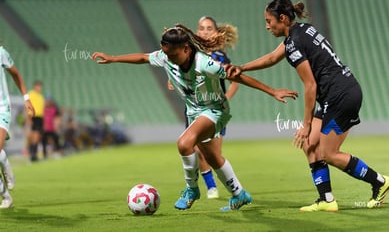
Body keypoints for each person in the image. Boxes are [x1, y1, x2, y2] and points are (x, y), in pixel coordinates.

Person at [92, 24, 298, 211]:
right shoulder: (166, 56)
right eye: (165, 53)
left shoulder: (205, 64)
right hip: (195, 113)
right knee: (212, 158)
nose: (168, 58)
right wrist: (113, 58)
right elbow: (144, 57)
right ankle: (239, 194)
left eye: (172, 54)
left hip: (215, 111)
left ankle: (192, 189)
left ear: (186, 49)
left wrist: (272, 91)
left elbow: (237, 75)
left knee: (184, 143)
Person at [226, 0, 389, 212]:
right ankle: (327, 199)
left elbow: (310, 86)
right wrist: (243, 67)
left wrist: (306, 124)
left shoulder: (295, 43)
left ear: (283, 18)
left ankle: (379, 182)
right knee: (309, 144)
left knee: (329, 153)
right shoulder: (301, 31)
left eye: (269, 21)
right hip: (338, 93)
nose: (267, 26)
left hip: (340, 96)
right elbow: (271, 58)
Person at [167, 16, 240, 199]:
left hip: (213, 110)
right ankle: (211, 187)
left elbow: (234, 82)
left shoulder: (220, 57)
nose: (205, 31)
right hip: (193, 109)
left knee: (213, 153)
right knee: (197, 149)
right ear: (197, 32)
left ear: (216, 32)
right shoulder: (189, 52)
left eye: (209, 28)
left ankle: (234, 191)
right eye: (202, 28)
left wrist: (226, 99)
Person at [0, 45, 35, 208]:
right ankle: (6, 196)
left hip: (1, 109)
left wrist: (26, 98)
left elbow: (16, 74)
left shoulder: (1, 52)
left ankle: (5, 165)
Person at [28, 80, 45, 162]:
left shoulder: (41, 96)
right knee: (35, 135)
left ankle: (34, 153)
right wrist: (29, 118)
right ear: (34, 86)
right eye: (38, 86)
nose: (39, 88)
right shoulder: (31, 94)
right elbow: (28, 106)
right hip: (34, 117)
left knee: (38, 136)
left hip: (40, 118)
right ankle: (32, 154)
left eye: (40, 86)